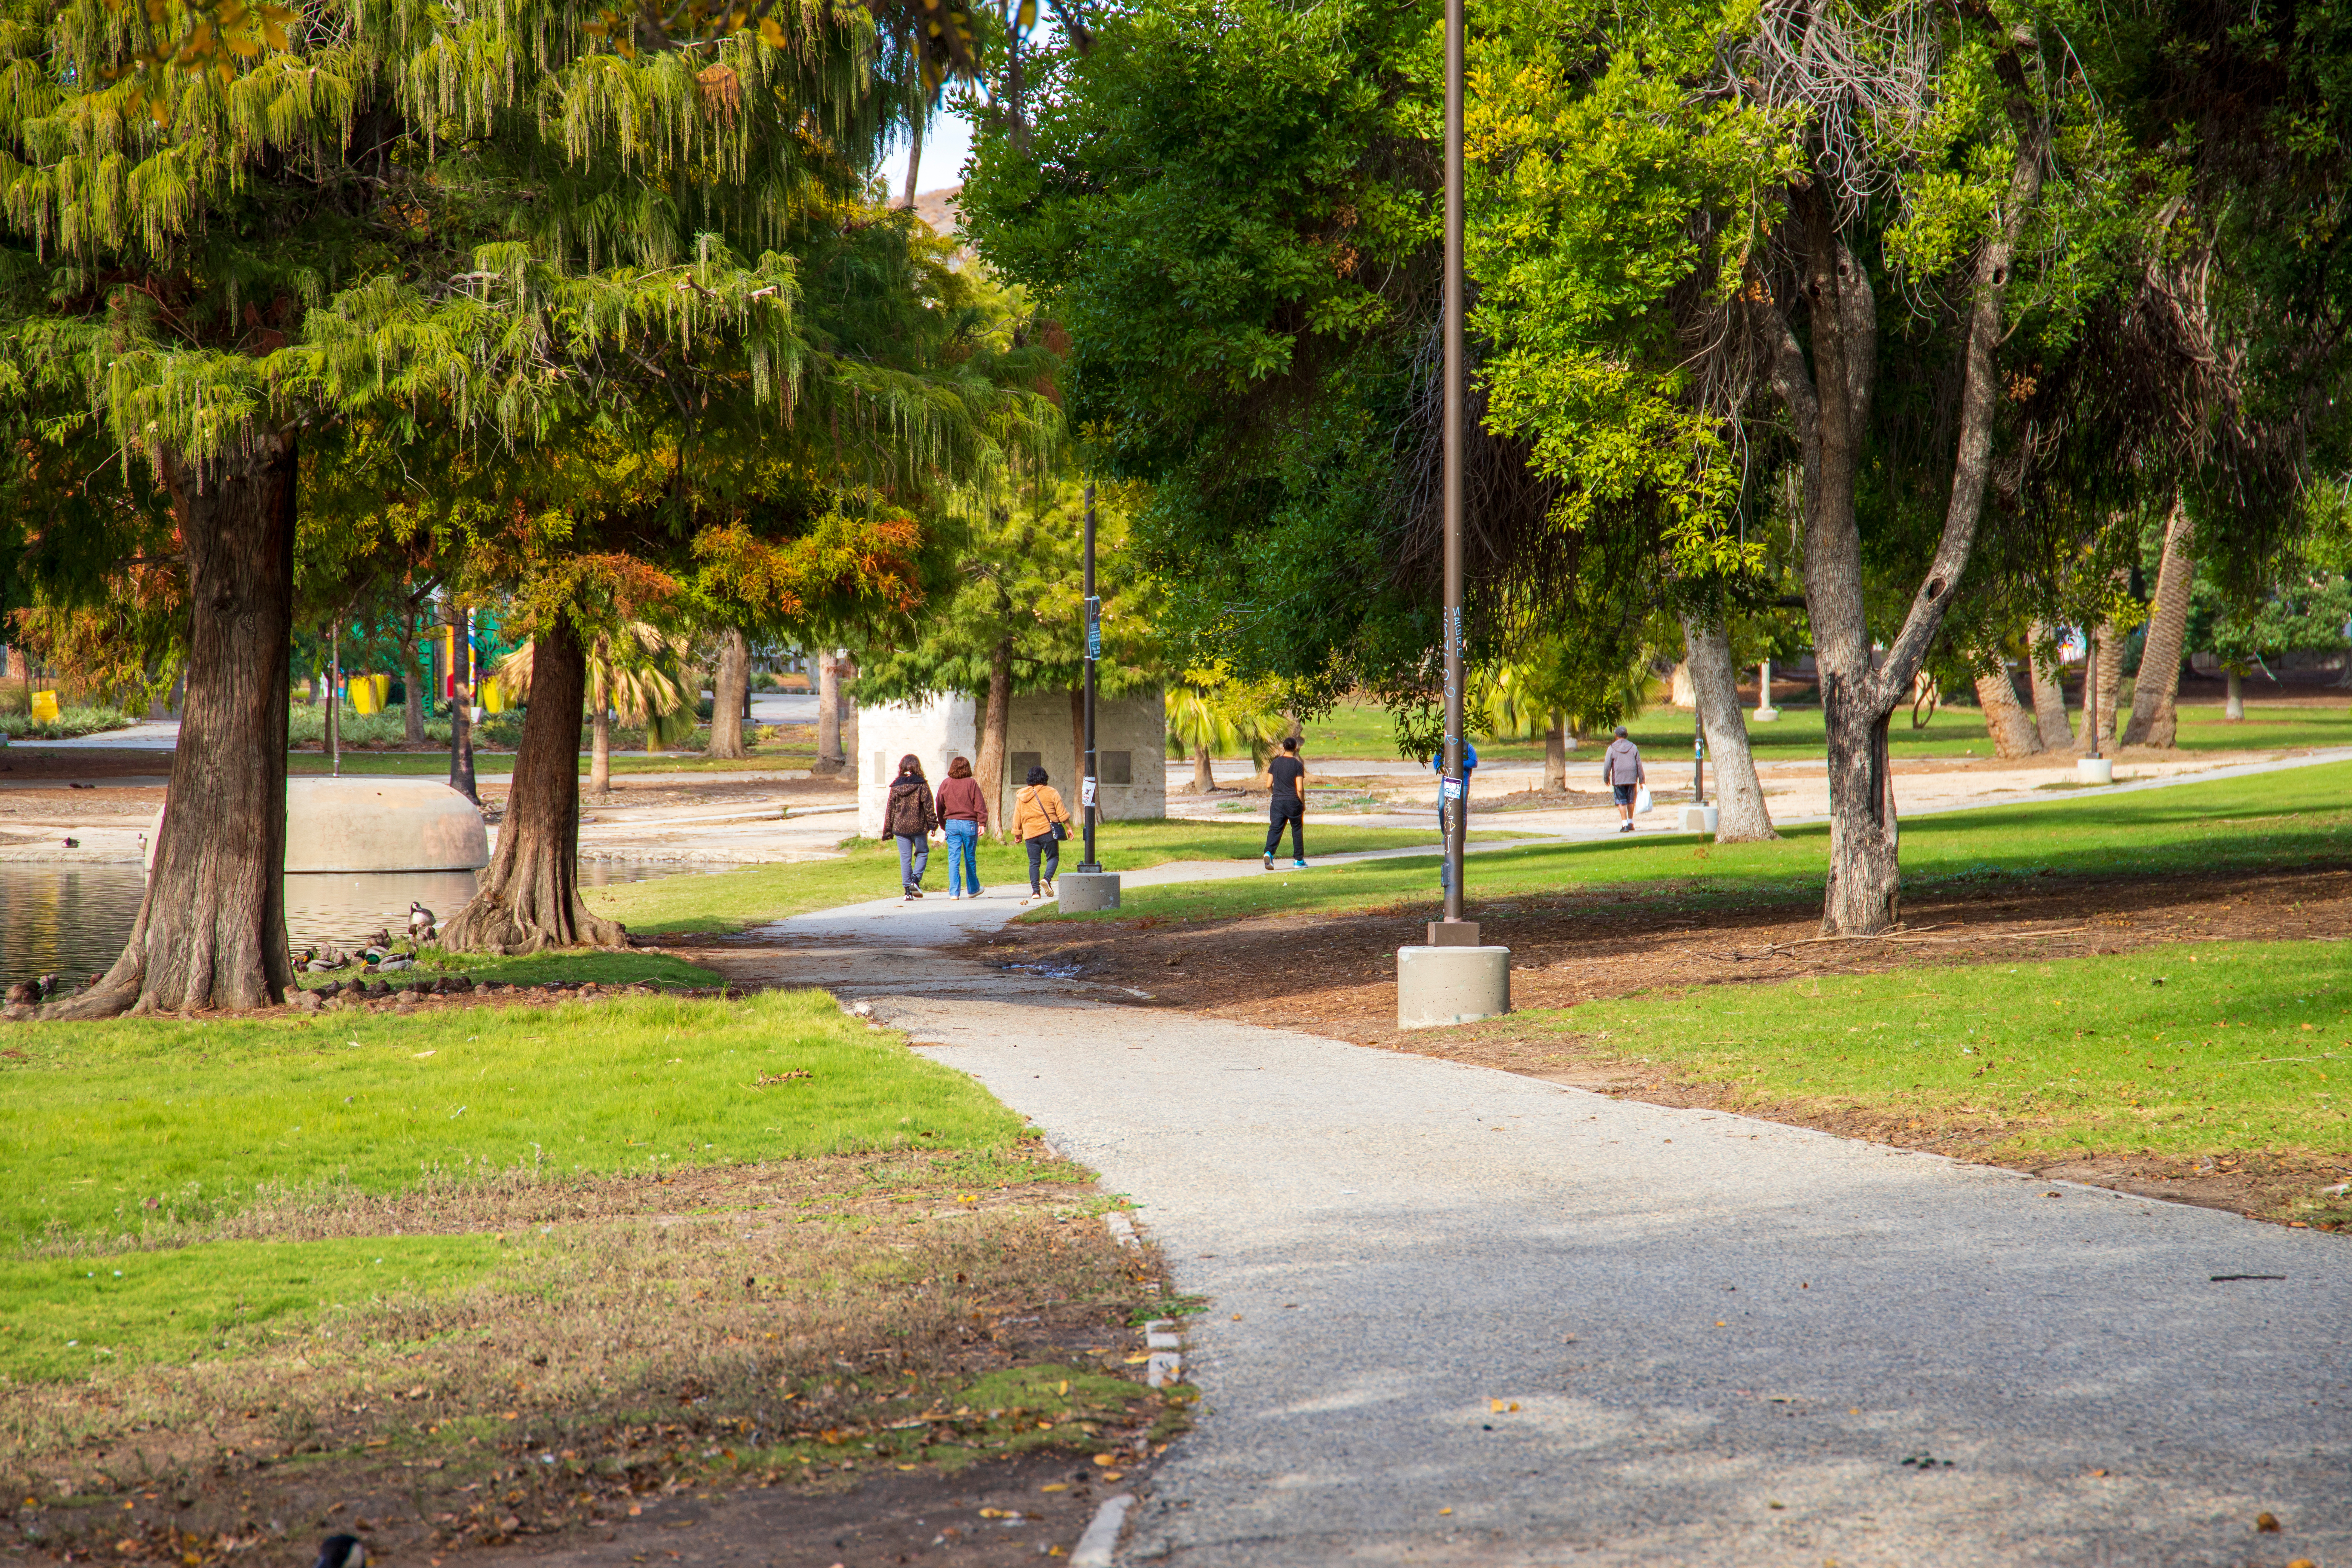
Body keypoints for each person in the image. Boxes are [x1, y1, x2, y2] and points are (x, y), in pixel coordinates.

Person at [1011, 764, 1071, 904]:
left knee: (1034, 863)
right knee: (1053, 857)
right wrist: (1069, 828)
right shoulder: (1051, 792)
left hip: (1030, 834)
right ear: (1044, 777)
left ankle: (1036, 892)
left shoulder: (1022, 796)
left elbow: (1017, 816)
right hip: (1047, 832)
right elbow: (1061, 813)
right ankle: (1047, 879)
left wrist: (1017, 833)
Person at [884, 753, 939, 897]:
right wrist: (933, 825)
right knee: (922, 853)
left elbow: (890, 809)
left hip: (900, 828)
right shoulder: (921, 784)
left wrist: (888, 831)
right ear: (917, 767)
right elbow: (929, 806)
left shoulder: (896, 786)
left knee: (905, 858)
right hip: (918, 827)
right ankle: (915, 879)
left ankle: (907, 891)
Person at [1429, 738, 1479, 893]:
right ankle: (1447, 834)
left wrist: (1459, 763)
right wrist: (1441, 767)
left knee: (1461, 810)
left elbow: (1474, 762)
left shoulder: (1467, 746)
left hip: (1463, 781)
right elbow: (1436, 760)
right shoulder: (1444, 746)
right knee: (1443, 806)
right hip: (1448, 782)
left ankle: (1461, 837)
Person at [936, 755, 988, 899]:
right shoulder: (971, 783)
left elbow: (939, 805)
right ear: (967, 768)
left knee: (953, 858)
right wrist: (982, 822)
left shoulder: (946, 783)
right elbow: (980, 804)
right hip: (969, 825)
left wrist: (943, 824)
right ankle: (973, 890)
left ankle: (954, 893)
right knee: (970, 857)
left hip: (952, 824)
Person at [1263, 736, 1308, 869]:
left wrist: (1275, 793)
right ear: (1296, 748)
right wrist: (1303, 803)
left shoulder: (1275, 763)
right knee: (1297, 830)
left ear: (1284, 747)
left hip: (1277, 802)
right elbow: (1299, 788)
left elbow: (1268, 785)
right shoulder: (1298, 765)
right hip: (1293, 802)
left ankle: (1269, 853)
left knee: (1275, 828)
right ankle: (1299, 860)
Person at [1602, 724, 1645, 832]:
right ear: (1627, 735)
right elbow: (1639, 764)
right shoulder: (1633, 747)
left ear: (1616, 735)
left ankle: (1624, 825)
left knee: (1621, 801)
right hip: (1631, 778)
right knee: (1631, 800)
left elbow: (1607, 765)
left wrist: (1606, 778)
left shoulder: (1612, 748)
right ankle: (1631, 823)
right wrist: (1642, 780)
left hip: (1619, 778)